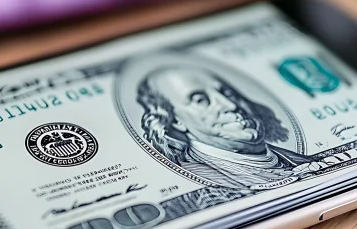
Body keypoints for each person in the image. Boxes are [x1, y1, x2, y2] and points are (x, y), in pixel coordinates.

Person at [137, 67, 325, 190]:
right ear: (175, 120)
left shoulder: (299, 159)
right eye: (200, 100)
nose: (230, 105)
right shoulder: (208, 184)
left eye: (226, 93)